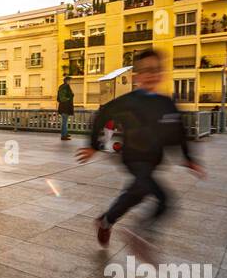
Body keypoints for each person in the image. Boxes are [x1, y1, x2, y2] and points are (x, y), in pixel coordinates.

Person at [76, 49, 205, 253]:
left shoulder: (166, 104)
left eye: (155, 70)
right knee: (156, 193)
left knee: (142, 196)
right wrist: (93, 145)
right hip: (133, 158)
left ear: (161, 74)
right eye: (145, 70)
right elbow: (102, 115)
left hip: (153, 160)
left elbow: (179, 132)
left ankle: (106, 221)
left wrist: (189, 159)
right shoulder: (129, 101)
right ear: (137, 76)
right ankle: (140, 234)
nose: (150, 74)